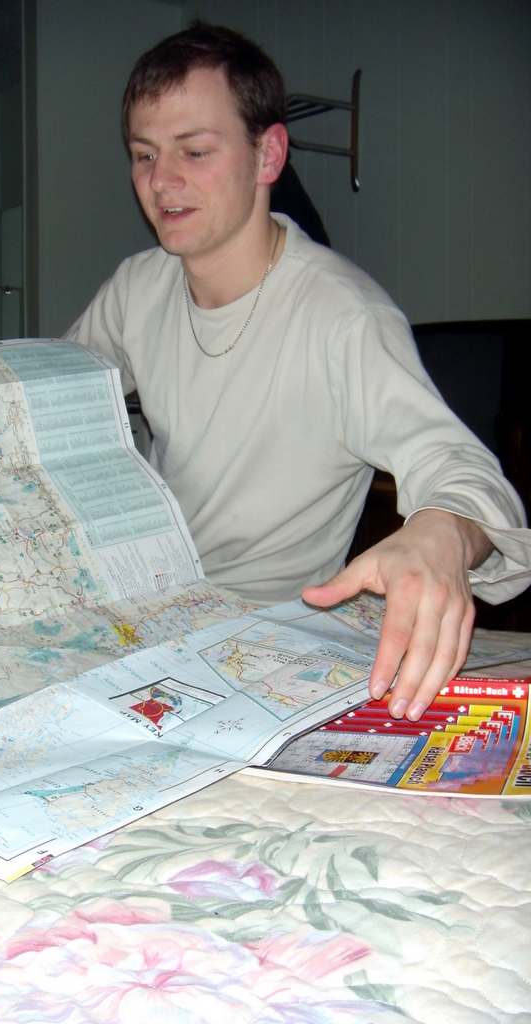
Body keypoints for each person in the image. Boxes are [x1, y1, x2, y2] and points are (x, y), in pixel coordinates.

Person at [65, 22, 530, 722]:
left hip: (263, 640)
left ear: (268, 154)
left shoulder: (345, 317)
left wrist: (442, 534)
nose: (161, 181)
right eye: (144, 154)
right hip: (148, 609)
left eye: (195, 150)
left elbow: (466, 475)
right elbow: (43, 396)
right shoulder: (138, 287)